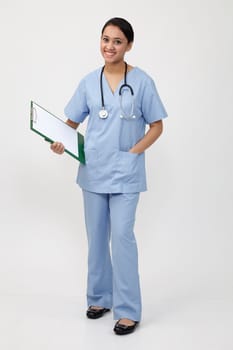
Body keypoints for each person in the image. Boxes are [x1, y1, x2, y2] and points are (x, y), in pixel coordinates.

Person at [50, 17, 167, 335]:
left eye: (117, 41)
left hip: (126, 174)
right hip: (94, 171)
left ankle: (128, 310)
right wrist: (60, 142)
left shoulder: (142, 82)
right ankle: (100, 298)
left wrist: (134, 152)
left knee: (123, 238)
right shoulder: (89, 82)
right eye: (105, 39)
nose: (109, 46)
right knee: (97, 238)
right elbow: (70, 124)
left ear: (129, 45)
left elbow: (157, 125)